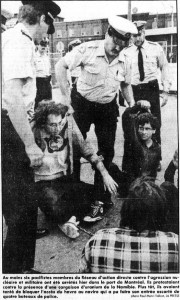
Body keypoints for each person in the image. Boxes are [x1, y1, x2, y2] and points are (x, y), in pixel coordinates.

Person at [55, 16, 137, 222]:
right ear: (108, 34)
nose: (116, 50)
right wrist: (65, 99)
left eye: (121, 47)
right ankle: (72, 197)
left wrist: (132, 104)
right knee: (73, 149)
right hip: (81, 104)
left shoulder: (126, 58)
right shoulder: (87, 49)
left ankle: (100, 199)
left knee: (107, 151)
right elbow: (60, 66)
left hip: (107, 107)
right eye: (114, 45)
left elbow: (126, 85)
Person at [2, 0, 61, 274]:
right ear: (42, 19)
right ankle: (15, 275)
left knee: (21, 209)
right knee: (21, 210)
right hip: (11, 130)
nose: (47, 33)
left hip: (11, 126)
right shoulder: (20, 42)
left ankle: (20, 269)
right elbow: (13, 98)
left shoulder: (12, 37)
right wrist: (29, 145)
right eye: (49, 25)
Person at [32, 101, 118, 237]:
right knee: (54, 207)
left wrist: (105, 173)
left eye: (60, 123)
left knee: (102, 195)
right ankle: (69, 218)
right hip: (43, 183)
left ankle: (69, 219)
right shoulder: (33, 130)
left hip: (65, 180)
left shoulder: (68, 124)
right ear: (43, 123)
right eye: (52, 125)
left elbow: (87, 150)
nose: (57, 127)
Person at [80, 177, 179, 273]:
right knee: (168, 186)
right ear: (162, 217)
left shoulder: (96, 241)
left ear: (125, 210)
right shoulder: (175, 244)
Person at [122, 20, 171, 171]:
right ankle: (134, 161)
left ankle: (155, 160)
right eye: (134, 35)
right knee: (133, 126)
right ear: (130, 36)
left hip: (151, 88)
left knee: (155, 125)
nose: (137, 38)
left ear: (144, 32)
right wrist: (129, 100)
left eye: (140, 34)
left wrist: (166, 90)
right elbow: (123, 79)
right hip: (135, 90)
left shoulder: (155, 48)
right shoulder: (125, 53)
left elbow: (164, 67)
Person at [35, 39, 52, 109]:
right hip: (39, 82)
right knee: (39, 102)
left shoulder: (46, 57)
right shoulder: (34, 57)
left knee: (49, 101)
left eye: (45, 45)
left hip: (47, 81)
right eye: (42, 45)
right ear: (38, 46)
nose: (43, 47)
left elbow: (49, 69)